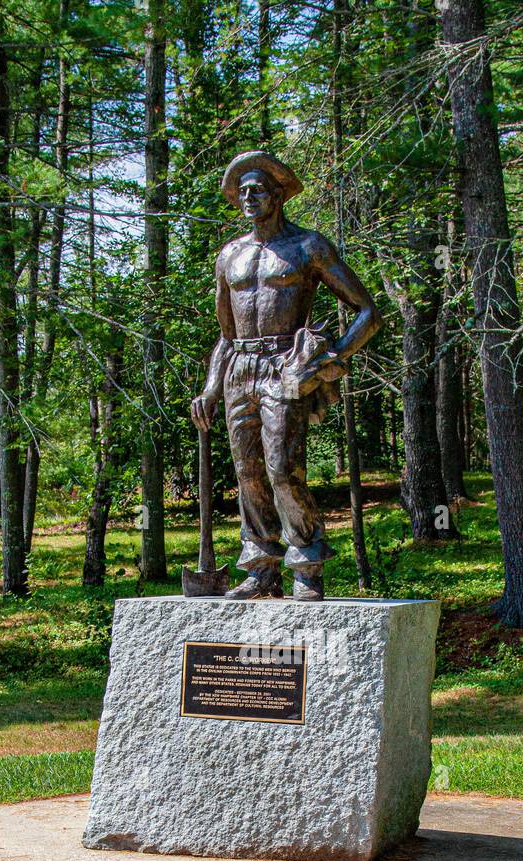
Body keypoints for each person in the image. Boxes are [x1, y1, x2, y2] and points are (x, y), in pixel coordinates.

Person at [190, 150, 381, 600]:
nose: (248, 197)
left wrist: (328, 356)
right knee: (248, 471)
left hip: (284, 367)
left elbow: (368, 312)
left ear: (278, 196)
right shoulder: (229, 256)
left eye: (258, 189)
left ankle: (307, 564)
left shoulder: (307, 247)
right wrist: (211, 388)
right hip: (240, 368)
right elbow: (226, 335)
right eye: (243, 192)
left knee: (281, 469)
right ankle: (260, 567)